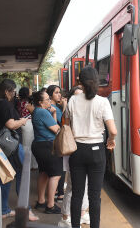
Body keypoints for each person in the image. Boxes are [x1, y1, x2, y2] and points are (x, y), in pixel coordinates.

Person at [64, 66, 117, 228]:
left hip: (77, 151)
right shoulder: (102, 102)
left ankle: (75, 226)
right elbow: (113, 130)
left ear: (80, 81)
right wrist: (110, 140)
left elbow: (65, 125)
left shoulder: (73, 100)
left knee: (77, 194)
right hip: (96, 151)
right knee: (94, 196)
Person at [0, 79, 39, 220]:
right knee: (23, 176)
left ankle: (4, 210)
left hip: (2, 146)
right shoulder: (4, 104)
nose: (13, 95)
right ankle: (26, 210)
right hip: (11, 146)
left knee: (6, 177)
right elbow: (11, 124)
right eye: (13, 91)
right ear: (7, 91)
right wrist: (22, 121)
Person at [58, 86, 89, 228]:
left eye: (82, 95)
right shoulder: (68, 112)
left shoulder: (87, 109)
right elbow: (64, 127)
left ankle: (82, 213)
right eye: (76, 96)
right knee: (72, 186)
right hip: (72, 151)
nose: (80, 99)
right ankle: (65, 217)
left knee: (86, 185)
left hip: (85, 151)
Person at [31, 90, 62, 214]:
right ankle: (50, 205)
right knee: (55, 175)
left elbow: (51, 124)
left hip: (39, 145)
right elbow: (56, 129)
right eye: (47, 99)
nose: (50, 101)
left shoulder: (38, 111)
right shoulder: (43, 112)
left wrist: (53, 113)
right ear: (40, 102)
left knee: (43, 173)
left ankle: (41, 201)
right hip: (47, 146)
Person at [46, 85, 67, 201]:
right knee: (61, 167)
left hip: (56, 139)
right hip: (57, 138)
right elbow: (62, 122)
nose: (59, 95)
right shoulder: (53, 107)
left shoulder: (54, 106)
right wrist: (64, 107)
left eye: (60, 92)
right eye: (56, 93)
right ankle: (60, 193)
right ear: (50, 95)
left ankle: (58, 191)